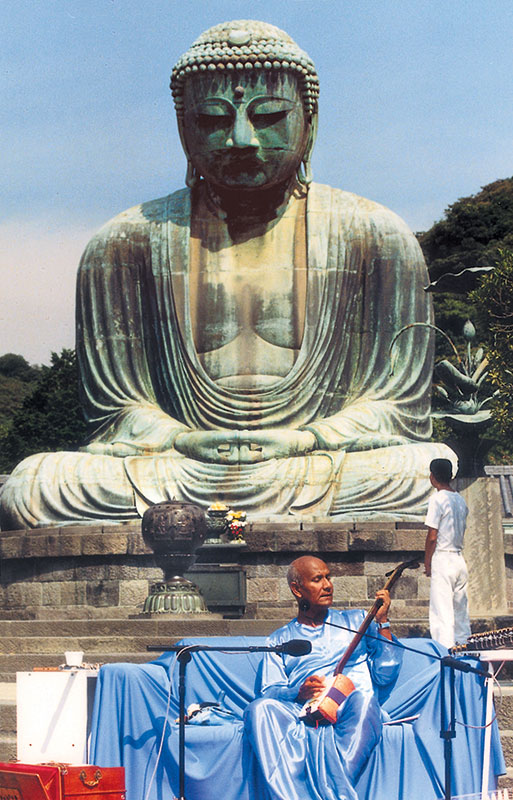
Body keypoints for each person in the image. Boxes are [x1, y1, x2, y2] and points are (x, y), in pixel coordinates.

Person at [0, 20, 455, 530]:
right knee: (35, 484)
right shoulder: (123, 244)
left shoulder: (375, 236)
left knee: (424, 470)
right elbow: (116, 411)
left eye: (269, 116)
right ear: (183, 129)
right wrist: (180, 438)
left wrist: (308, 438)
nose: (241, 138)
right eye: (214, 119)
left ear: (309, 119)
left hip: (315, 462)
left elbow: (396, 406)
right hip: (178, 466)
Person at [244, 555, 402, 800]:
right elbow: (268, 691)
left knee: (365, 700)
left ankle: (333, 794)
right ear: (297, 589)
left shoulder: (357, 620)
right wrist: (298, 691)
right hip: (304, 713)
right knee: (259, 709)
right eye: (318, 579)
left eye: (328, 577)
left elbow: (385, 673)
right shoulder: (279, 639)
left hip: (351, 708)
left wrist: (382, 623)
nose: (328, 585)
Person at [424, 457, 471, 648]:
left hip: (443, 557)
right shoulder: (460, 499)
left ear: (432, 476)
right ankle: (465, 647)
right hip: (459, 558)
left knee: (441, 612)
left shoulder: (437, 499)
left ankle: (444, 653)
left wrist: (427, 562)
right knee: (461, 611)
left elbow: (432, 536)